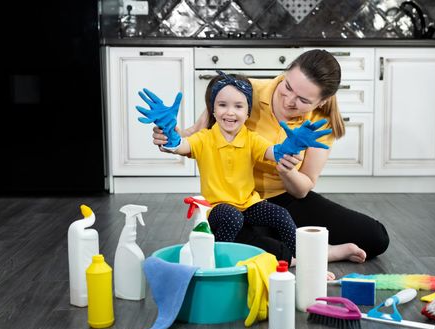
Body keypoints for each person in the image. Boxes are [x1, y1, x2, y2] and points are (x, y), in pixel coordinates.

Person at [151, 49, 390, 266]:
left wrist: (287, 171)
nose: (289, 101)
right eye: (288, 87)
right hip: (232, 201)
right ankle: (321, 252)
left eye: (303, 100)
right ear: (284, 74)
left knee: (375, 238)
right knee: (232, 229)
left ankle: (282, 243)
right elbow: (195, 137)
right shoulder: (240, 93)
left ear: (322, 101)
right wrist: (168, 136)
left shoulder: (320, 123)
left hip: (283, 199)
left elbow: (302, 189)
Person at [136, 71, 331, 261]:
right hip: (216, 208)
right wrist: (169, 132)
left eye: (238, 106)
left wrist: (292, 145)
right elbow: (180, 146)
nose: (230, 112)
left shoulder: (252, 139)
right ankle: (216, 263)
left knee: (281, 214)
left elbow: (274, 152)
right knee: (232, 218)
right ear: (213, 110)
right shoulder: (204, 139)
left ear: (248, 112)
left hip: (248, 204)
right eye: (222, 105)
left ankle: (307, 261)